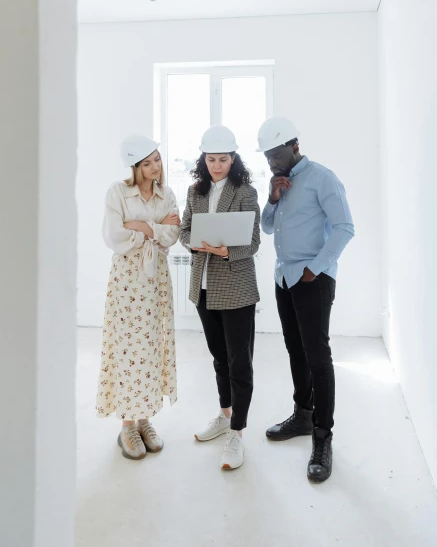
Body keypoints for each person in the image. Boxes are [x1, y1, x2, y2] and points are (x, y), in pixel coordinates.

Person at [257, 116, 354, 483]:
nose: (271, 162)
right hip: (284, 278)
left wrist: (316, 267)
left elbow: (345, 227)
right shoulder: (279, 182)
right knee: (295, 350)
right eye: (267, 157)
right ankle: (302, 414)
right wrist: (272, 197)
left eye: (276, 155)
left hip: (311, 280)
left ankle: (322, 436)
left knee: (318, 356)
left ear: (294, 146)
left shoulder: (322, 178)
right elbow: (268, 227)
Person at [180, 125, 260, 470]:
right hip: (204, 286)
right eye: (211, 159)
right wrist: (193, 242)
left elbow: (254, 242)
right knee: (218, 357)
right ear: (204, 159)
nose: (216, 165)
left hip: (237, 286)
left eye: (223, 159)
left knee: (239, 362)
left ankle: (237, 433)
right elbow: (184, 230)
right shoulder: (195, 191)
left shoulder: (245, 191)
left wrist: (229, 251)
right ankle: (225, 415)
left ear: (233, 159)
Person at [96, 134, 180, 460]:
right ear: (135, 166)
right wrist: (155, 226)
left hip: (156, 281)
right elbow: (114, 235)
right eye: (147, 163)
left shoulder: (166, 193)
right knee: (127, 348)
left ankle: (145, 419)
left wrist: (142, 226)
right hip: (127, 283)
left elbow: (172, 234)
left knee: (151, 347)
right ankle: (126, 425)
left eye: (157, 159)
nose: (155, 167)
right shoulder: (117, 192)